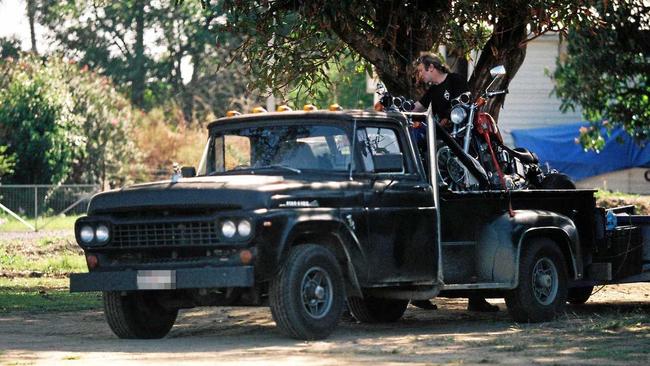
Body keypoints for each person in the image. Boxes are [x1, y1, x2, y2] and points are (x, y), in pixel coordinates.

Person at [410, 54, 499, 313]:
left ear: (431, 67)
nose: (420, 76)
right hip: (442, 156)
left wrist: (446, 120)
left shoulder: (457, 82)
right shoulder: (432, 91)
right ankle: (426, 292)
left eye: (421, 71)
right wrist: (396, 107)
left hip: (461, 151)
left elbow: (464, 107)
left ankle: (473, 297)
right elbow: (416, 107)